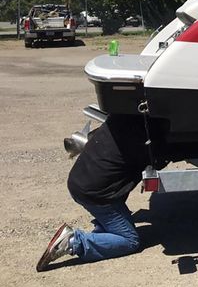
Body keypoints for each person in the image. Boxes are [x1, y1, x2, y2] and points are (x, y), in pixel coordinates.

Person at [36, 115, 154, 271]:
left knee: (115, 208)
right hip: (94, 193)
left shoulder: (118, 119)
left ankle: (104, 230)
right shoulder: (144, 136)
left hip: (79, 181)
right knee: (130, 240)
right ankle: (72, 241)